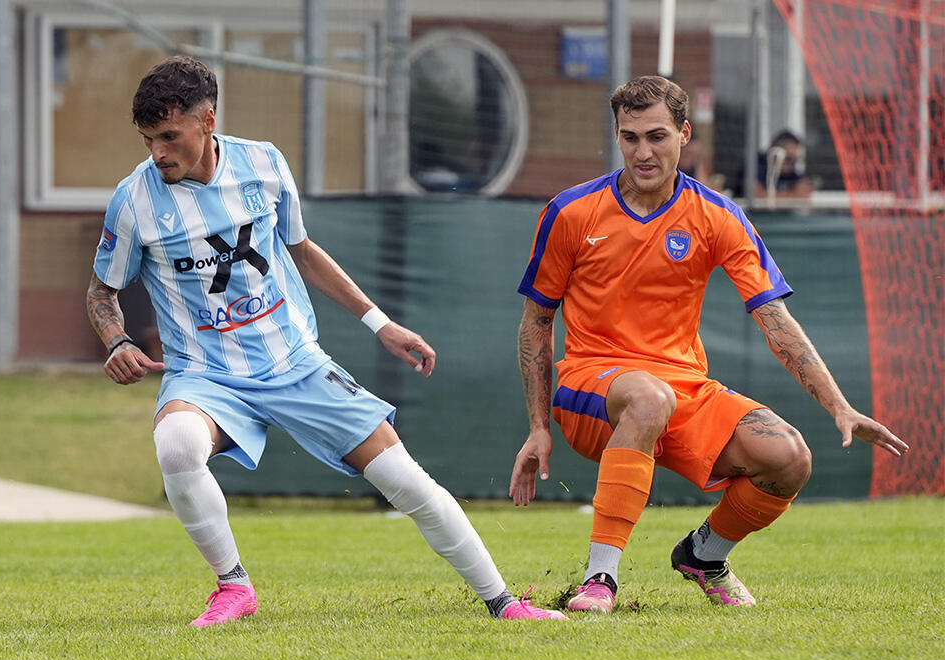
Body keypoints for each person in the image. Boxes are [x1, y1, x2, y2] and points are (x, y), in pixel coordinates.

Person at [87, 56, 567, 627]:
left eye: (169, 136)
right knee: (177, 447)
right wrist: (116, 341)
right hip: (205, 376)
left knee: (404, 480)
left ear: (207, 120)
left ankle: (504, 602)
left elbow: (304, 252)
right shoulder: (133, 200)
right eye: (148, 140)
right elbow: (101, 291)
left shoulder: (264, 163)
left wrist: (380, 323)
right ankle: (233, 586)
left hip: (295, 362)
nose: (157, 153)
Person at [510, 75, 908, 614]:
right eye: (629, 138)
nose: (642, 152)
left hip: (681, 388)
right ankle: (599, 581)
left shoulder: (717, 215)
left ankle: (704, 555)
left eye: (656, 136)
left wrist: (838, 405)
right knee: (649, 397)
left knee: (788, 458)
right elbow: (536, 321)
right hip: (591, 384)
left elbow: (774, 318)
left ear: (683, 134)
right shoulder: (571, 212)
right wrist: (537, 427)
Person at [754, 129, 815, 199]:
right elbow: (757, 196)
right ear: (774, 152)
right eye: (789, 159)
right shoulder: (755, 166)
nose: (792, 164)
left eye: (795, 160)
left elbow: (803, 191)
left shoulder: (789, 173)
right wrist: (794, 195)